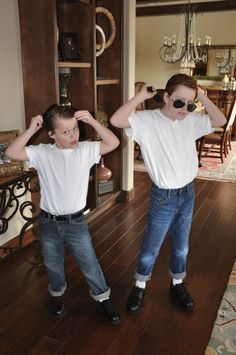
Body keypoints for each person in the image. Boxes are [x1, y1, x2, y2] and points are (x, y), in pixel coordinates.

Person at [110, 74, 226, 314]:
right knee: (152, 245)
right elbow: (116, 120)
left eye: (190, 104)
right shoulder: (147, 120)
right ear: (166, 97)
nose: (185, 109)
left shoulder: (191, 121)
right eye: (179, 102)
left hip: (188, 192)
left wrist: (202, 95)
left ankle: (177, 283)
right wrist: (141, 96)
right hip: (163, 195)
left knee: (182, 245)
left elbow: (220, 119)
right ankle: (140, 285)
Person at [6, 104, 120, 324]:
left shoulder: (86, 150)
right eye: (65, 131)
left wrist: (92, 121)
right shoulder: (41, 153)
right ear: (51, 134)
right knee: (53, 263)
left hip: (76, 222)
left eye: (75, 128)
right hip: (48, 222)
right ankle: (56, 294)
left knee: (89, 262)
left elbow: (113, 142)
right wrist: (31, 129)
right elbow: (12, 153)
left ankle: (102, 297)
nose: (73, 135)